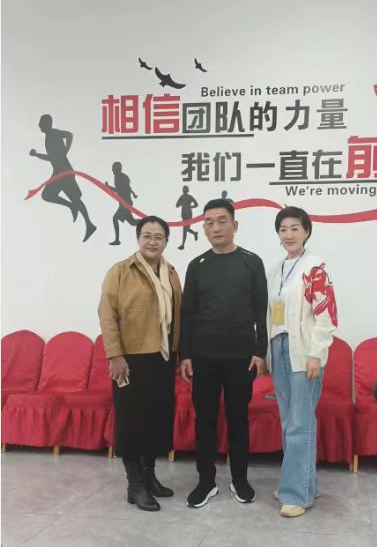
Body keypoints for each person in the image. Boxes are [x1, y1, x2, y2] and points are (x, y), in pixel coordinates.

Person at [180, 198, 268, 508]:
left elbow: (261, 310)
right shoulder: (197, 265)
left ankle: (240, 479)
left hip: (241, 357)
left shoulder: (251, 262)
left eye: (221, 221)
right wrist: (185, 355)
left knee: (238, 418)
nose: (215, 228)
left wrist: (260, 351)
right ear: (204, 228)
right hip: (203, 356)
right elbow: (187, 313)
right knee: (204, 419)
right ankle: (206, 481)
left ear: (235, 225)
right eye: (209, 222)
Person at [98, 216, 181, 512]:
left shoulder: (171, 272)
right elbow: (107, 314)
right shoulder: (121, 271)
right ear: (138, 238)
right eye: (147, 235)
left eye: (159, 236)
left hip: (163, 356)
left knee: (156, 420)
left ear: (166, 241)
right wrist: (115, 355)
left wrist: (180, 353)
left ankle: (149, 477)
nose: (152, 241)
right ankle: (134, 485)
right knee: (131, 421)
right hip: (130, 358)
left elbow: (178, 315)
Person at [267, 206, 337, 518]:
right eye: (283, 229)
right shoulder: (276, 270)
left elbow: (326, 313)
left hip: (303, 351)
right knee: (289, 422)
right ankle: (305, 482)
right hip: (279, 348)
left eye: (295, 228)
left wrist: (316, 354)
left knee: (299, 423)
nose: (289, 235)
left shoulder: (315, 267)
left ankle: (296, 494)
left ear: (306, 231)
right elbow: (270, 314)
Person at [29, 114, 97, 242]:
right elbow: (51, 158)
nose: (39, 125)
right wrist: (37, 155)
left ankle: (87, 222)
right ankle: (84, 219)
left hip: (64, 172)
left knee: (69, 198)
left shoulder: (53, 133)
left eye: (41, 122)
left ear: (47, 123)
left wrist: (66, 150)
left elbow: (69, 135)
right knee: (53, 196)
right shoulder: (48, 137)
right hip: (59, 172)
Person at [105, 161, 140, 246]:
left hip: (125, 203)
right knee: (132, 222)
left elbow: (120, 190)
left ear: (117, 169)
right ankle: (146, 221)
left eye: (113, 169)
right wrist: (133, 193)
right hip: (124, 203)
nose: (112, 171)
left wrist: (109, 187)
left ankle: (117, 240)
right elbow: (126, 188)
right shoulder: (121, 177)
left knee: (115, 218)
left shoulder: (120, 178)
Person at [176, 185, 199, 250]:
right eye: (184, 189)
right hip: (184, 215)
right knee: (185, 229)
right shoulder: (182, 197)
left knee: (185, 229)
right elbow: (177, 205)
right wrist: (181, 204)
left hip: (188, 214)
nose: (184, 191)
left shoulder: (189, 197)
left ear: (187, 190)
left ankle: (183, 245)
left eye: (185, 189)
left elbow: (196, 204)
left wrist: (190, 207)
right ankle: (194, 233)